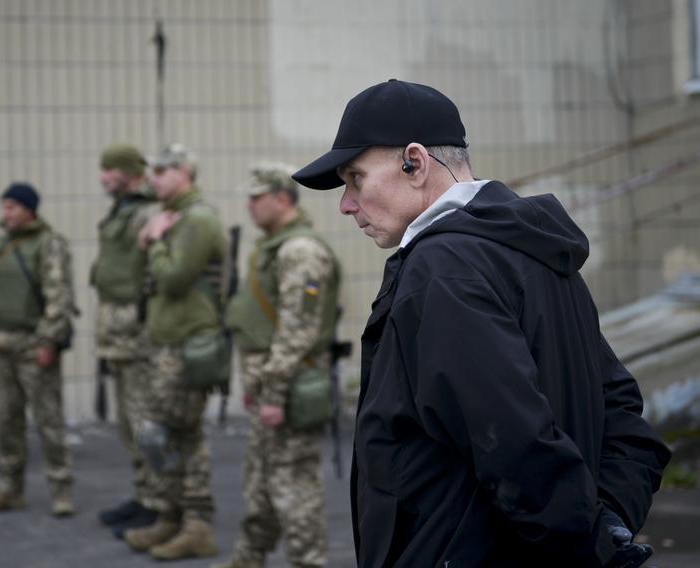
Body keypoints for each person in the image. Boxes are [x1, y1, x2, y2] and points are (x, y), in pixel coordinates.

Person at [292, 79, 671, 567]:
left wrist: (584, 539)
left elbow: (512, 440)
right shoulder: (530, 251)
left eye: (355, 178)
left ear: (415, 162)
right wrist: (607, 525)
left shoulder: (442, 269)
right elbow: (623, 417)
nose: (346, 203)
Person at [215, 163, 341, 568]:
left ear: (281, 199)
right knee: (261, 482)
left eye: (256, 197)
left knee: (294, 487)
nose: (249, 206)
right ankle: (247, 559)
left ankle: (309, 562)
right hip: (273, 384)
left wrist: (273, 392)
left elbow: (296, 330)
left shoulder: (299, 251)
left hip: (289, 388)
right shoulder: (274, 245)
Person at [122, 143, 226, 560]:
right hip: (165, 341)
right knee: (159, 433)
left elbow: (173, 280)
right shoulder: (176, 217)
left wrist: (156, 241)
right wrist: (151, 239)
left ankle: (196, 523)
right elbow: (143, 281)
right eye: (153, 172)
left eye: (163, 171)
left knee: (182, 434)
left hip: (188, 344)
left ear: (185, 172)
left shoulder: (196, 219)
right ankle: (171, 515)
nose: (154, 179)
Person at [0, 182, 77, 518]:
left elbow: (58, 297)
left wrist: (47, 340)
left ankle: (60, 490)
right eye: (4, 207)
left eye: (13, 207)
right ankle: (10, 488)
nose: (6, 213)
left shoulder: (48, 244)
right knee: (7, 421)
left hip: (33, 347)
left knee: (48, 421)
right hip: (2, 345)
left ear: (29, 209)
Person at [89, 144, 161, 534]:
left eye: (109, 169)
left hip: (138, 338)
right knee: (128, 423)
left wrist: (140, 318)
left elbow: (154, 274)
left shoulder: (146, 213)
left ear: (129, 172)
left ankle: (159, 504)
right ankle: (144, 495)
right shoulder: (123, 210)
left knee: (144, 422)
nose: (102, 176)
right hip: (117, 336)